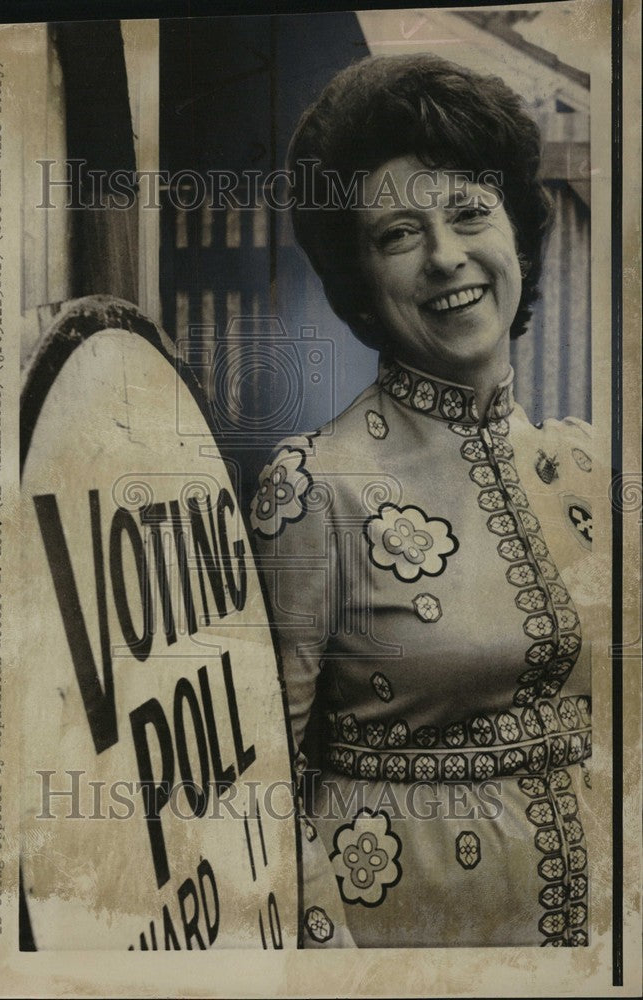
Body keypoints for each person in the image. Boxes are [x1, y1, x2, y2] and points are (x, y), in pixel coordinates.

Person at [250, 54, 595, 948]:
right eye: (399, 234)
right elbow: (257, 799)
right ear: (361, 282)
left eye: (470, 212)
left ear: (518, 234)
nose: (447, 257)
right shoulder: (314, 487)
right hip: (405, 940)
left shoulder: (592, 468)